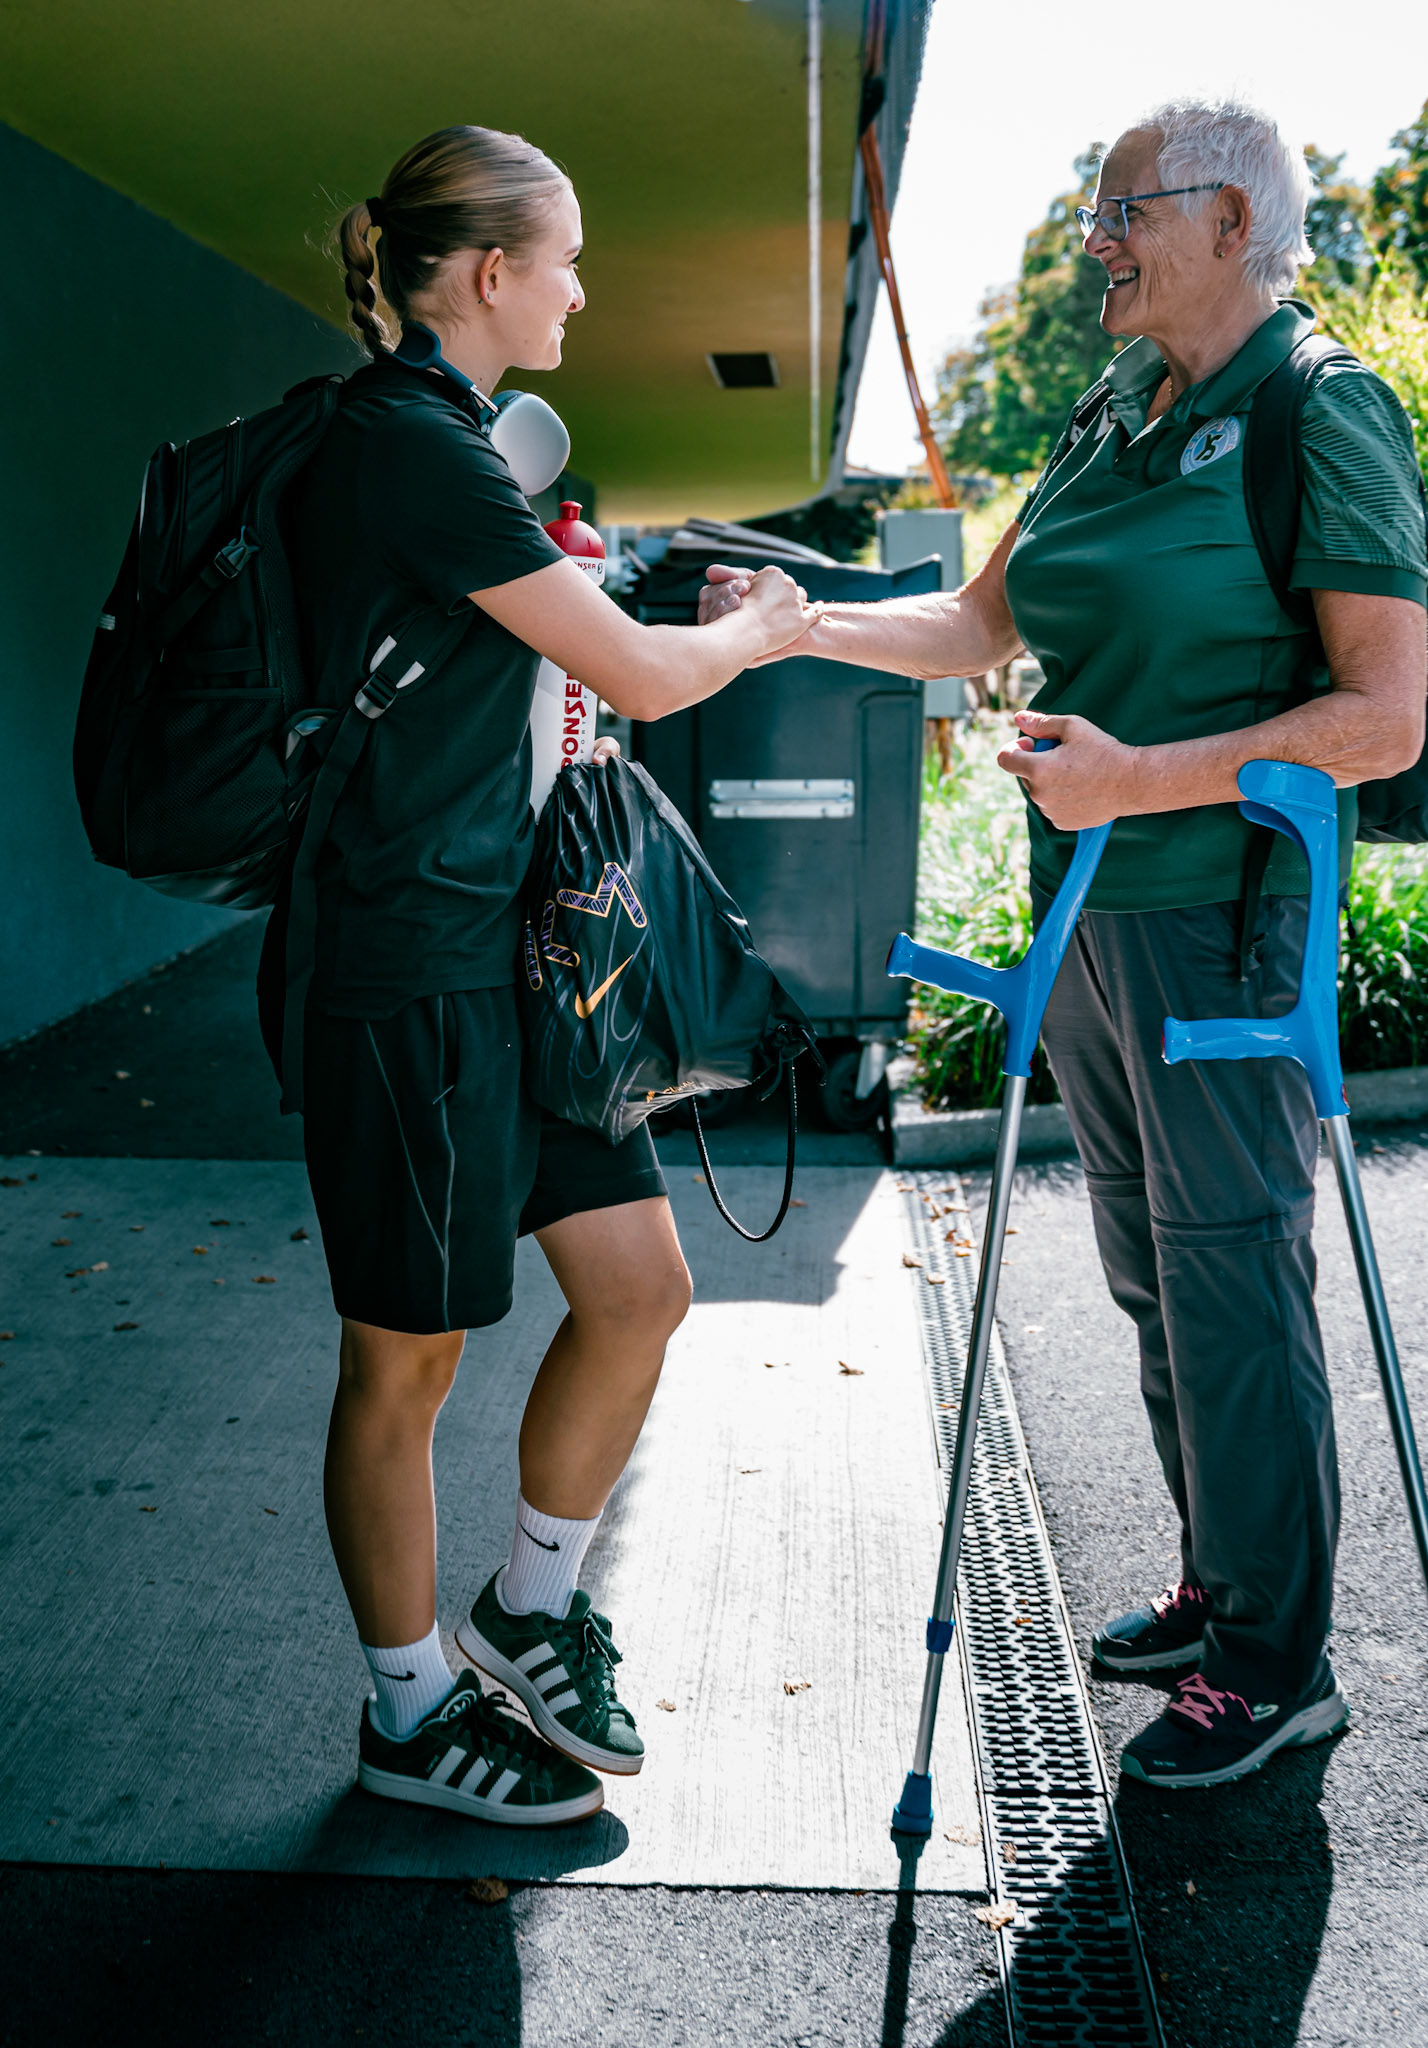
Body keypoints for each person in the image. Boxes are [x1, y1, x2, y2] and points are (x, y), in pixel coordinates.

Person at [701, 98, 1428, 1789]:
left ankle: (1273, 1662)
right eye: (1096, 213)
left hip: (1223, 924)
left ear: (1234, 222)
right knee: (1149, 1269)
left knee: (1232, 1274)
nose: (1094, 240)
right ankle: (1221, 1577)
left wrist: (1137, 777)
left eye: (1125, 213)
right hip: (1087, 913)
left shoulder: (1319, 410)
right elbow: (975, 624)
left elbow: (1380, 718)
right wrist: (795, 629)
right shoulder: (1111, 407)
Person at [267, 125, 814, 1825]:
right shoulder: (404, 442)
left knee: (639, 1289)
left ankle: (531, 1599)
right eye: (565, 259)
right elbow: (648, 682)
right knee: (403, 1362)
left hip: (517, 961)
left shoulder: (456, 458)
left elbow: (534, 664)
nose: (583, 286)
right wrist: (759, 629)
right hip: (405, 966)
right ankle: (407, 1711)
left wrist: (619, 604)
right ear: (488, 274)